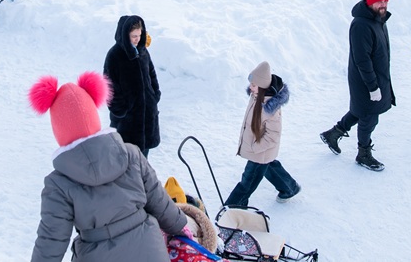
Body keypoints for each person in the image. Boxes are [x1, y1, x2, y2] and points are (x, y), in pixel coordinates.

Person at [27, 71, 188, 262]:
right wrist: (181, 227)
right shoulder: (132, 155)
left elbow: (51, 239)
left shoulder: (58, 183)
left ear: (59, 130)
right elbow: (159, 200)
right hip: (150, 250)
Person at [319, 0, 394, 172]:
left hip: (376, 77)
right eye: (379, 1)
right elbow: (362, 60)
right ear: (369, 2)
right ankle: (363, 154)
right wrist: (373, 87)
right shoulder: (361, 25)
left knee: (360, 110)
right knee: (369, 117)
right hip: (366, 80)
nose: (383, 4)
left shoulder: (378, 19)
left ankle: (333, 134)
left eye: (385, 1)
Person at [225, 61, 300, 207]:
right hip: (261, 150)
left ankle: (232, 208)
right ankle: (289, 188)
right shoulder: (257, 95)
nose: (250, 87)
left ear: (262, 85)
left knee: (247, 182)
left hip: (259, 151)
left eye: (253, 85)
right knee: (269, 166)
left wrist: (255, 148)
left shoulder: (270, 108)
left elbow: (273, 136)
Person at [103, 15, 161, 157]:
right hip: (128, 122)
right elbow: (108, 87)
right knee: (128, 160)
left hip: (147, 116)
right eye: (134, 36)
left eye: (140, 35)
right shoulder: (114, 56)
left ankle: (142, 179)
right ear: (125, 34)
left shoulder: (142, 51)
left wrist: (155, 95)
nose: (138, 39)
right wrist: (121, 110)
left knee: (144, 159)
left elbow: (151, 73)